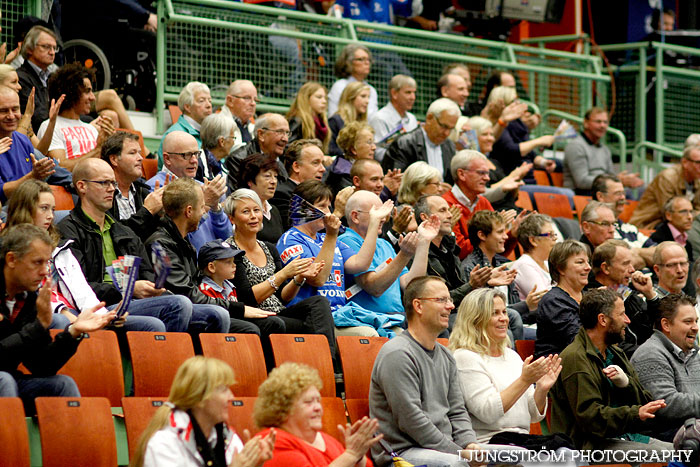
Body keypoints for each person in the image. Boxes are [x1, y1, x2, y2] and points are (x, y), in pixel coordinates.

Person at [6, 179, 167, 333]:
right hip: (44, 311)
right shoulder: (11, 247)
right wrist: (63, 312)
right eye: (44, 208)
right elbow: (29, 294)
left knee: (152, 326)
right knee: (61, 322)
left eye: (53, 210)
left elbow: (81, 289)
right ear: (25, 209)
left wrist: (102, 315)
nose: (50, 216)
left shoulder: (60, 246)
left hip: (76, 309)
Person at [56, 158, 194, 333]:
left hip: (130, 301)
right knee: (177, 306)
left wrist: (152, 287)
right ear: (82, 186)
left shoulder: (122, 230)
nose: (112, 188)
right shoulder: (67, 231)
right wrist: (126, 290)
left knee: (215, 314)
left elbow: (146, 272)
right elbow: (76, 286)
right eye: (103, 183)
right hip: (98, 305)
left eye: (113, 183)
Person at [0, 223, 116, 413]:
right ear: (12, 259)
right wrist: (39, 326)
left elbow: (41, 366)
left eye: (47, 263)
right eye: (37, 262)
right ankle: (12, 442)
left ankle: (74, 442)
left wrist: (73, 332)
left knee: (62, 384)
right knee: (5, 381)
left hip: (9, 380)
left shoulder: (29, 299)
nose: (45, 271)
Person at [369, 276, 481, 467]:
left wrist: (470, 444)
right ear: (418, 306)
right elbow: (411, 421)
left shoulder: (446, 355)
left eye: (450, 300)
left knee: (518, 456)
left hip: (445, 449)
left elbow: (457, 411)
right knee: (458, 465)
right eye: (441, 300)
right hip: (403, 453)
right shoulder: (397, 353)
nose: (451, 306)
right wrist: (460, 454)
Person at [144, 178, 278, 336]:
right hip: (181, 312)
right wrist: (237, 308)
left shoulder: (182, 240)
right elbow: (187, 294)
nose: (203, 213)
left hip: (198, 307)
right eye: (201, 207)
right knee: (250, 329)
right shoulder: (161, 244)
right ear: (188, 211)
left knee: (272, 323)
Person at [550, 288, 673, 452]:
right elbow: (591, 419)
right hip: (590, 447)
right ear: (603, 320)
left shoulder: (615, 353)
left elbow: (645, 402)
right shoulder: (575, 358)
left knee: (686, 453)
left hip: (627, 437)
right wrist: (635, 414)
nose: (628, 320)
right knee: (674, 457)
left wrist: (626, 384)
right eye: (622, 314)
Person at [223, 189, 338, 363]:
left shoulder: (269, 247)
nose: (254, 216)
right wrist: (284, 273)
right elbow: (246, 298)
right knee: (276, 323)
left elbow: (282, 297)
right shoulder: (230, 250)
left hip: (278, 313)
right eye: (246, 212)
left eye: (256, 210)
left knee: (318, 303)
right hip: (254, 315)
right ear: (232, 219)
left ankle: (327, 363)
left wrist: (299, 278)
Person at [276, 181, 398, 337]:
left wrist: (374, 223)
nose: (328, 213)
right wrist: (331, 235)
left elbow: (360, 264)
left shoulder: (325, 238)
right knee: (369, 335)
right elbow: (318, 279)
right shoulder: (291, 240)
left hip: (340, 315)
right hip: (314, 319)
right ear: (303, 209)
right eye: (322, 206)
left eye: (329, 207)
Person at [450, 288, 561, 444]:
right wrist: (524, 380)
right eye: (495, 313)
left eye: (504, 312)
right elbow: (488, 412)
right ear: (475, 319)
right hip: (488, 442)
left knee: (566, 453)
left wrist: (542, 389)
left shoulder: (511, 356)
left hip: (521, 439)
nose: (504, 319)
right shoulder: (465, 357)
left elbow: (534, 416)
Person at [131, 356, 275, 467]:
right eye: (223, 389)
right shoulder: (164, 444)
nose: (231, 397)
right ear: (199, 398)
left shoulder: (229, 439)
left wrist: (256, 464)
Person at [339, 190, 439, 328]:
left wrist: (424, 242)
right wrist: (404, 255)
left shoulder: (384, 244)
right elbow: (374, 287)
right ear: (355, 216)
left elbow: (411, 284)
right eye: (377, 213)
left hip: (396, 317)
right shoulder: (346, 240)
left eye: (384, 213)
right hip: (369, 319)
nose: (384, 219)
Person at [254, 362, 379, 467]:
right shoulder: (273, 441)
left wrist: (358, 458)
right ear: (283, 408)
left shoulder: (327, 440)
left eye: (318, 401)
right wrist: (350, 455)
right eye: (308, 402)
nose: (318, 408)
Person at [463, 210, 544, 338]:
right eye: (500, 232)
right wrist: (526, 305)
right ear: (482, 235)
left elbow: (518, 312)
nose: (506, 237)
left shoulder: (504, 265)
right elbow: (481, 313)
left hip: (513, 323)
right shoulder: (471, 268)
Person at [146, 131, 231, 252]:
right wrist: (205, 203)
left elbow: (227, 236)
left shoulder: (203, 187)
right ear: (167, 158)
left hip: (215, 263)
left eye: (196, 154)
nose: (194, 160)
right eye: (186, 155)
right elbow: (176, 235)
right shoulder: (156, 190)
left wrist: (215, 209)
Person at [631, 294, 700, 440]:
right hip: (665, 434)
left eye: (696, 321)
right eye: (688, 322)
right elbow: (667, 404)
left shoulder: (694, 353)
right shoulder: (650, 354)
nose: (695, 327)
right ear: (666, 325)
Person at [443, 150, 527, 259]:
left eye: (487, 173)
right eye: (481, 173)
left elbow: (495, 253)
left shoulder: (483, 202)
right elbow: (459, 252)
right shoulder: (446, 205)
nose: (487, 178)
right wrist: (491, 232)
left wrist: (512, 235)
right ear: (461, 174)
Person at [588, 239, 660, 355]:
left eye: (631, 264)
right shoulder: (593, 301)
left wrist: (650, 295)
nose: (632, 270)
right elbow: (613, 347)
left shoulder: (628, 292)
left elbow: (660, 325)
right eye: (625, 264)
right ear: (606, 268)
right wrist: (654, 352)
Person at [39, 63, 115, 170]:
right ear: (71, 92)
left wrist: (111, 140)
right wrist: (98, 149)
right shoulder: (49, 127)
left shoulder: (91, 129)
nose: (93, 97)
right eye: (87, 91)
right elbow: (61, 168)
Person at [564, 107, 642, 194]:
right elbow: (582, 182)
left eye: (605, 122)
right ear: (586, 123)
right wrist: (615, 181)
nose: (602, 126)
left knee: (639, 192)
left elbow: (610, 176)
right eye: (598, 122)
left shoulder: (605, 149)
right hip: (582, 194)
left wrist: (624, 180)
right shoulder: (576, 146)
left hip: (603, 192)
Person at [0, 85, 58, 203]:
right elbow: (3, 193)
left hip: (33, 204)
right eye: (3, 111)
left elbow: (51, 168)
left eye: (15, 109)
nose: (11, 116)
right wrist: (33, 176)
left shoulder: (22, 139)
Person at [102, 131, 164, 239]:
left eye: (139, 153)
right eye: (132, 153)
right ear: (114, 159)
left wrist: (163, 215)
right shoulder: (102, 193)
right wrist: (147, 211)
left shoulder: (143, 191)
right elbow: (116, 235)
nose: (140, 158)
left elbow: (154, 236)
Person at [535, 239, 591, 358]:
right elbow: (578, 340)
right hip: (558, 369)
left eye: (588, 262)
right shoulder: (553, 301)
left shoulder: (589, 297)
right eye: (580, 262)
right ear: (560, 268)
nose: (588, 267)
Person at [382, 97, 459, 184]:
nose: (447, 133)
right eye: (444, 126)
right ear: (429, 118)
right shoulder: (404, 144)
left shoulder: (449, 146)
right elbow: (396, 182)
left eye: (451, 129)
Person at [489, 86, 555, 178]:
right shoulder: (500, 126)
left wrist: (543, 162)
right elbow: (512, 150)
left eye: (517, 100)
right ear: (504, 104)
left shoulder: (517, 123)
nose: (518, 103)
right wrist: (539, 141)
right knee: (566, 193)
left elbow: (530, 153)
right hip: (513, 178)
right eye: (514, 101)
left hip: (528, 176)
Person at [630, 144, 700, 230]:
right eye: (698, 163)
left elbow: (697, 207)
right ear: (685, 162)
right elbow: (670, 213)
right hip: (650, 223)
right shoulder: (667, 178)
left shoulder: (697, 179)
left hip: (681, 221)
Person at [592, 174, 655, 267]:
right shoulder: (599, 228)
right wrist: (646, 257)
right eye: (618, 193)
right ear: (600, 196)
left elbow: (659, 254)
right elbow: (623, 263)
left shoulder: (630, 228)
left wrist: (636, 251)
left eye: (623, 193)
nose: (622, 198)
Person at [271, 139, 327, 230]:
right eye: (316, 163)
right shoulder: (282, 195)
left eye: (323, 163)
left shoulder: (322, 194)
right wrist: (338, 213)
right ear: (296, 167)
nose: (323, 169)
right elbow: (299, 230)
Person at [224, 113, 290, 187]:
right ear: (261, 134)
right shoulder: (239, 159)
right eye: (279, 132)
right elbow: (237, 195)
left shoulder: (285, 159)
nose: (285, 139)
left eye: (287, 133)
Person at [156, 81, 212, 168]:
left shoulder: (210, 133)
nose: (209, 105)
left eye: (210, 101)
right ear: (187, 107)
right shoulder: (173, 135)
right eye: (202, 101)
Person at [369, 74, 417, 162]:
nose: (413, 97)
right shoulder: (379, 118)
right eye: (408, 92)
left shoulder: (412, 118)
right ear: (394, 93)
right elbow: (377, 152)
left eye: (414, 93)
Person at [238, 153, 284, 244]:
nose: (273, 181)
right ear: (250, 181)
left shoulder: (274, 210)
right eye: (267, 176)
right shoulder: (242, 210)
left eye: (275, 176)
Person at [511, 213, 555, 301]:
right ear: (533, 240)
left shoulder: (547, 263)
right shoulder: (524, 265)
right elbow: (547, 301)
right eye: (549, 234)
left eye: (554, 234)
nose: (555, 238)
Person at [325, 121, 376, 196]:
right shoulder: (343, 175)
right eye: (369, 142)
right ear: (353, 149)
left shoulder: (362, 166)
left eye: (373, 142)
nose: (374, 147)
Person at [328, 44, 378, 118]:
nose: (367, 63)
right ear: (349, 63)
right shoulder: (340, 86)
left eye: (368, 60)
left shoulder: (372, 90)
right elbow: (333, 117)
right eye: (361, 59)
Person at [286, 81, 330, 154]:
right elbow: (289, 149)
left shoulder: (322, 122)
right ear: (306, 98)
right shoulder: (297, 120)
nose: (324, 101)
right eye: (319, 97)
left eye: (325, 98)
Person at [328, 82, 370, 157]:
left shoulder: (362, 122)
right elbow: (331, 150)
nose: (367, 101)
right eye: (363, 96)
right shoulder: (335, 121)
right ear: (350, 97)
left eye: (368, 97)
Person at [650, 196, 694, 265]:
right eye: (683, 212)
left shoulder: (687, 243)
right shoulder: (658, 239)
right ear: (668, 215)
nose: (690, 217)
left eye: (691, 212)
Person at [198, 113, 237, 182]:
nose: (234, 142)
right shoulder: (197, 164)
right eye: (233, 138)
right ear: (221, 141)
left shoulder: (221, 166)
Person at [222, 79, 257, 145]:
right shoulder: (218, 125)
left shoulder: (253, 127)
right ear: (230, 101)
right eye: (247, 98)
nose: (253, 103)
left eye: (255, 99)